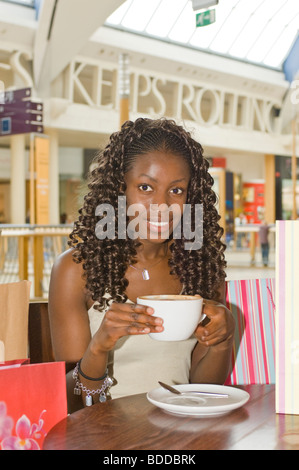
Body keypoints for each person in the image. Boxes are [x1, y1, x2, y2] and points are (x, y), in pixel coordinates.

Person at [48, 117, 235, 413]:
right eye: (146, 187)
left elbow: (204, 387)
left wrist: (223, 340)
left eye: (176, 191)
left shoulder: (201, 267)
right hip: (106, 438)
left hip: (181, 434)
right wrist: (99, 346)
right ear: (119, 189)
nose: (161, 206)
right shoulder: (75, 270)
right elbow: (73, 397)